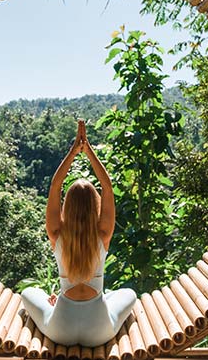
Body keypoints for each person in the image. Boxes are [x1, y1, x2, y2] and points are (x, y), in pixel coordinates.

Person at [21, 120, 137, 347]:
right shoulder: (103, 233)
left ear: (68, 206)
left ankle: (57, 301)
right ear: (96, 206)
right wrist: (88, 150)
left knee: (29, 293)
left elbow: (55, 186)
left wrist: (73, 151)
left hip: (60, 329)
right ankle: (104, 296)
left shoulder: (56, 233)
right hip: (100, 331)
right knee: (129, 293)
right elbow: (107, 187)